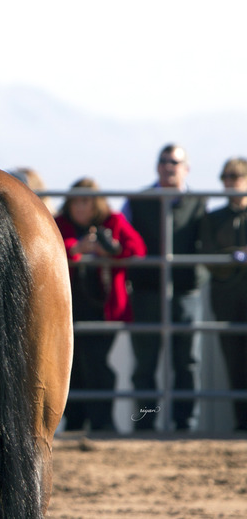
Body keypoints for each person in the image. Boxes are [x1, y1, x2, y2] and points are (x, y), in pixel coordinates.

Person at [122, 144, 208, 430]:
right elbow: (125, 238)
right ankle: (146, 423)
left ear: (186, 168)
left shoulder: (199, 202)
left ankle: (186, 423)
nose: (169, 166)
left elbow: (207, 244)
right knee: (145, 364)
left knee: (187, 362)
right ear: (157, 166)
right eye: (164, 161)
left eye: (175, 161)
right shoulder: (137, 201)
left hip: (185, 292)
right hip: (147, 292)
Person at [55, 177, 146, 432]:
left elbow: (137, 249)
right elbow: (47, 250)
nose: (80, 207)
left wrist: (110, 250)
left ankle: (102, 421)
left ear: (96, 203)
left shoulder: (113, 221)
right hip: (69, 307)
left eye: (86, 201)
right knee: (72, 367)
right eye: (76, 201)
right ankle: (75, 421)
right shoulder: (60, 224)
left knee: (97, 364)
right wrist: (77, 248)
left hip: (104, 308)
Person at [196, 157, 247, 431]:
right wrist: (233, 257)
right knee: (234, 362)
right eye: (226, 177)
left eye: (236, 176)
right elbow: (209, 256)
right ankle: (241, 422)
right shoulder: (214, 218)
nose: (230, 182)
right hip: (226, 298)